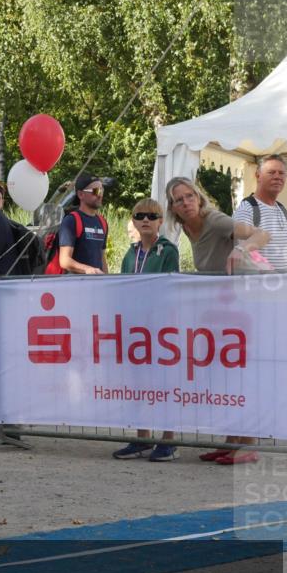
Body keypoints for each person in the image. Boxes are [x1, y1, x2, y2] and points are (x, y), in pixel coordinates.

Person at [166, 176, 270, 465]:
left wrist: (241, 249)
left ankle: (248, 445)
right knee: (225, 374)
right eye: (178, 199)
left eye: (189, 196)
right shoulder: (188, 228)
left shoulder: (216, 220)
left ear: (199, 198)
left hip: (249, 304)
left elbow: (261, 235)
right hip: (225, 308)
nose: (185, 202)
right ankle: (232, 441)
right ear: (173, 207)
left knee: (240, 375)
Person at [111, 198, 180, 462]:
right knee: (138, 385)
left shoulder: (168, 250)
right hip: (134, 328)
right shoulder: (131, 253)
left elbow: (168, 289)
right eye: (140, 215)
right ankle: (141, 438)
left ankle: (168, 440)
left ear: (161, 221)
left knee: (164, 385)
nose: (146, 220)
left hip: (160, 329)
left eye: (152, 216)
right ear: (133, 220)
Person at [232, 154, 287, 271]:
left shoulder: (282, 209)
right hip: (259, 286)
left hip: (282, 285)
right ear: (258, 175)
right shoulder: (247, 209)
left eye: (281, 173)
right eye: (271, 172)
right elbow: (241, 256)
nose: (277, 177)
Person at [57, 173, 108, 274]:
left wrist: (107, 280)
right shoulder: (71, 220)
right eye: (96, 191)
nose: (100, 194)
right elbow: (64, 261)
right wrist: (87, 269)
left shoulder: (102, 222)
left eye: (102, 190)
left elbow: (102, 257)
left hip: (96, 285)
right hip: (76, 286)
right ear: (81, 194)